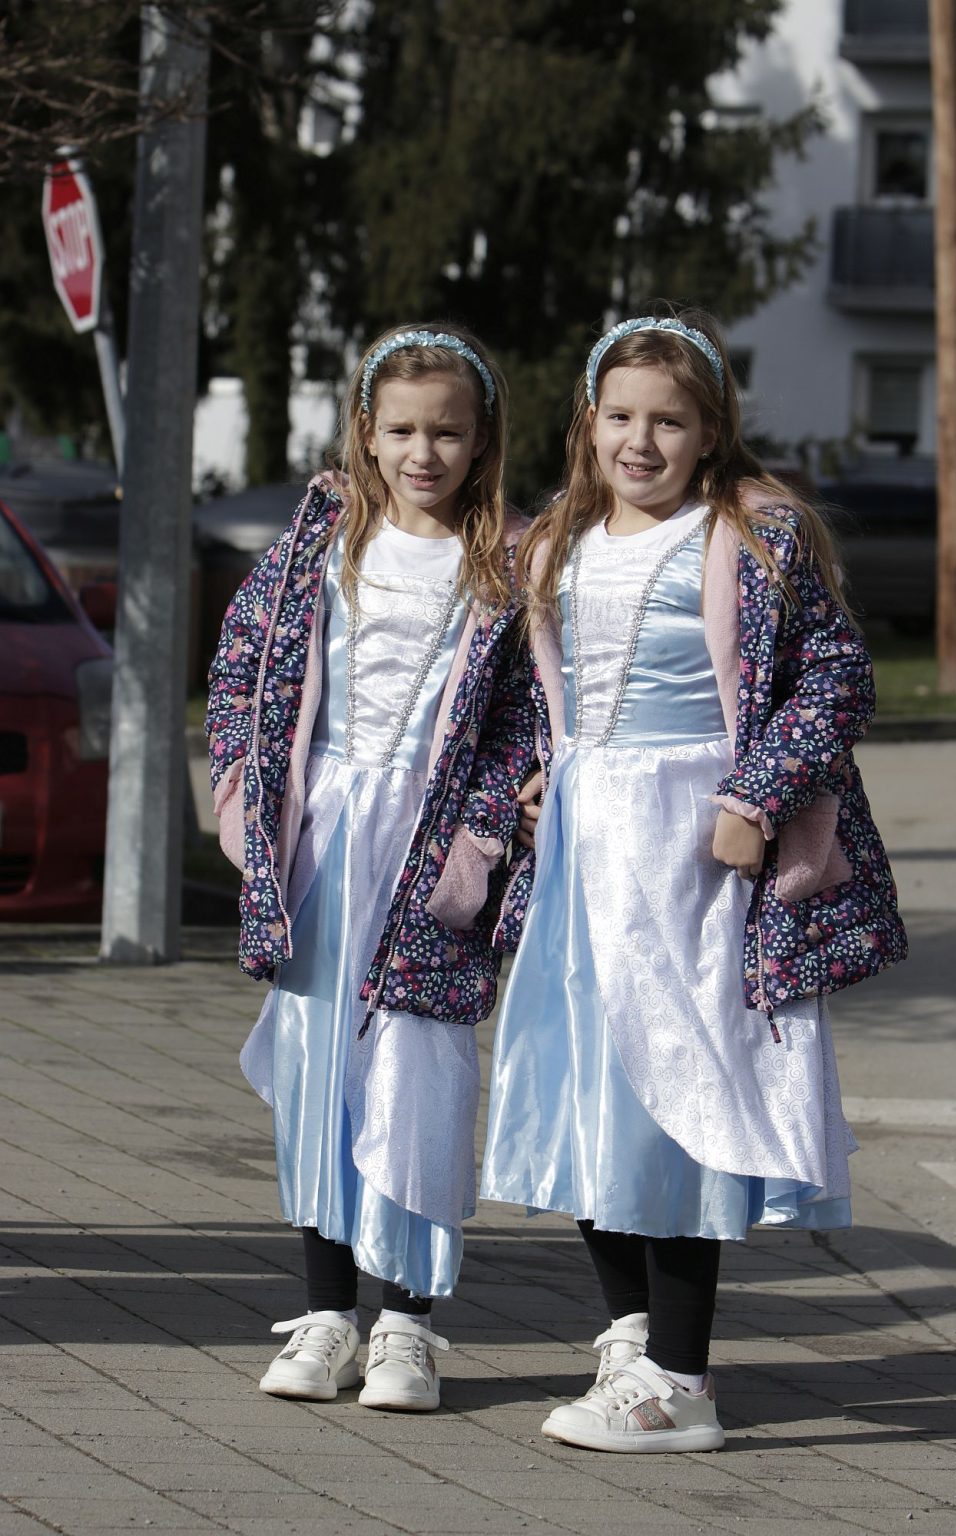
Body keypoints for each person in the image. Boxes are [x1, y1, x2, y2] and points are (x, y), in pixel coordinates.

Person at [481, 309, 908, 1453]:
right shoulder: (558, 540)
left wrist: (753, 797)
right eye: (620, 415)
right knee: (593, 1086)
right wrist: (538, 776)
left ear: (711, 431)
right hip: (585, 843)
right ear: (588, 423)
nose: (641, 440)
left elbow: (835, 677)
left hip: (693, 845)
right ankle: (630, 1336)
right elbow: (537, 694)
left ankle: (681, 1382)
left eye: (669, 421)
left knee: (684, 1094)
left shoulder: (749, 534)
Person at [206, 324, 535, 1413]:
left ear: (481, 440)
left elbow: (525, 722)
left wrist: (482, 836)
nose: (422, 454)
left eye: (447, 433)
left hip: (432, 853)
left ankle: (408, 1326)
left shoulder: (509, 564)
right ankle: (327, 1314)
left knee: (420, 1073)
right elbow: (243, 664)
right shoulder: (320, 542)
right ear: (366, 432)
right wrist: (243, 794)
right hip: (323, 842)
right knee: (318, 1073)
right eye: (401, 431)